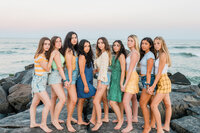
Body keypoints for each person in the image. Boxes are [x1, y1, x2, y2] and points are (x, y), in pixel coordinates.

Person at [30, 37, 56, 133]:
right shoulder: (40, 56)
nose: (47, 46)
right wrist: (52, 56)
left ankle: (32, 123)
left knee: (34, 104)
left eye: (49, 44)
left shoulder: (42, 55)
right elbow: (47, 68)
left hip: (39, 82)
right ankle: (43, 124)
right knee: (48, 103)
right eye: (45, 44)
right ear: (41, 45)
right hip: (38, 83)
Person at [149, 36, 172, 133]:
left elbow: (159, 73)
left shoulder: (163, 55)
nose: (156, 45)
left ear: (162, 44)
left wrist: (153, 86)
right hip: (162, 80)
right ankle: (166, 126)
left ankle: (160, 129)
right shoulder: (159, 54)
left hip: (163, 81)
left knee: (153, 105)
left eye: (158, 43)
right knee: (167, 104)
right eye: (154, 43)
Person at [48, 36, 68, 130]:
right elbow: (59, 67)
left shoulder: (56, 51)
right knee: (63, 99)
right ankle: (55, 121)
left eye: (60, 41)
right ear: (53, 43)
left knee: (54, 98)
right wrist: (65, 80)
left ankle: (53, 119)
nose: (59, 43)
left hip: (55, 76)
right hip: (55, 76)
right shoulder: (55, 52)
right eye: (57, 42)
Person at [92, 37, 112, 131]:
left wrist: (99, 82)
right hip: (104, 77)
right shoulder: (102, 53)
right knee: (104, 99)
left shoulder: (104, 54)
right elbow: (100, 68)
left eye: (102, 43)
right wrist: (94, 70)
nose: (100, 44)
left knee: (96, 101)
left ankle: (99, 122)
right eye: (99, 43)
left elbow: (103, 69)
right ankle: (106, 117)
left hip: (102, 79)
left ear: (105, 44)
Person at [121, 35, 140, 133]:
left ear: (135, 42)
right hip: (131, 76)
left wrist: (125, 83)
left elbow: (130, 70)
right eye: (128, 40)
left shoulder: (135, 54)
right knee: (134, 98)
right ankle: (135, 117)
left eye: (131, 41)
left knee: (125, 101)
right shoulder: (131, 53)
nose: (129, 42)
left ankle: (129, 125)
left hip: (131, 77)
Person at [76, 39, 96, 125]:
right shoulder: (82, 56)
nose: (87, 48)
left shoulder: (87, 56)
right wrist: (86, 85)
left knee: (81, 100)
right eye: (85, 46)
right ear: (81, 47)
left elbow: (88, 70)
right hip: (83, 82)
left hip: (88, 81)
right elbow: (81, 72)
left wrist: (96, 71)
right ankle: (92, 118)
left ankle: (82, 119)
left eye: (88, 46)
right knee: (95, 97)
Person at [62, 31, 79, 132]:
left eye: (75, 37)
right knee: (74, 99)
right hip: (71, 76)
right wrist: (69, 80)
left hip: (74, 75)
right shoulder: (68, 50)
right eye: (72, 38)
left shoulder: (74, 50)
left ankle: (70, 116)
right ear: (68, 39)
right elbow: (68, 66)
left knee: (69, 99)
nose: (74, 39)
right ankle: (68, 122)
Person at [108, 40, 126, 130]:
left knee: (112, 102)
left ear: (121, 46)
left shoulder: (121, 56)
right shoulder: (114, 56)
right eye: (114, 45)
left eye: (117, 45)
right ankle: (120, 117)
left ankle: (120, 120)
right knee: (119, 101)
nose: (115, 47)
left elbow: (123, 70)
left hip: (119, 79)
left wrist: (121, 83)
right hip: (113, 79)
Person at [139, 37, 156, 133]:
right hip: (145, 79)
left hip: (148, 80)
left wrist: (148, 85)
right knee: (151, 103)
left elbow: (149, 71)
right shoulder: (146, 54)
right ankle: (152, 124)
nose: (143, 45)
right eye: (142, 43)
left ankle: (147, 127)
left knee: (142, 103)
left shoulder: (150, 55)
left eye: (146, 43)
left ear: (150, 45)